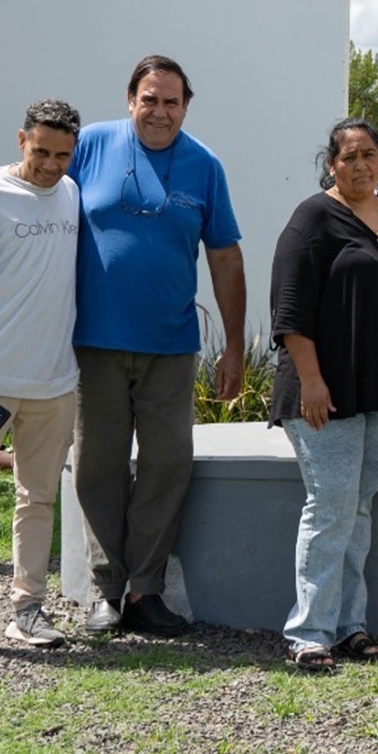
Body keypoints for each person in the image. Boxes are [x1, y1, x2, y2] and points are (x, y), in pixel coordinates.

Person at [73, 56, 245, 637]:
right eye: (150, 98)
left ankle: (146, 590)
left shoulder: (204, 166)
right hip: (92, 342)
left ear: (186, 106)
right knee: (97, 464)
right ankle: (107, 591)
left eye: (171, 101)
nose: (160, 111)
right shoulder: (90, 145)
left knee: (168, 460)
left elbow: (224, 257)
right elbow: (35, 185)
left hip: (171, 345)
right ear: (130, 100)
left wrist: (235, 347)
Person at [267, 120, 378, 672]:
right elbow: (289, 310)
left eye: (370, 154)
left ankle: (349, 625)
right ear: (331, 163)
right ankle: (309, 631)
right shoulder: (312, 218)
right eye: (349, 156)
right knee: (330, 507)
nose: (361, 165)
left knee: (357, 507)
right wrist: (310, 380)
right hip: (324, 392)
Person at [0, 100, 84, 648]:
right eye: (40, 151)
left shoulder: (73, 191)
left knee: (36, 499)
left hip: (55, 383)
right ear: (21, 140)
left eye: (62, 154)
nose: (49, 165)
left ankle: (27, 611)